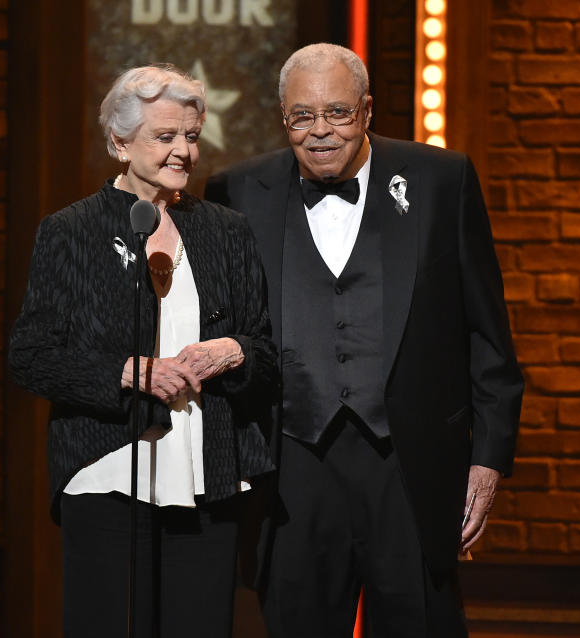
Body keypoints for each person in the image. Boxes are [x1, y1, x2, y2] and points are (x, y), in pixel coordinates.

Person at [205, 43, 524, 637]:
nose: (319, 130)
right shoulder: (238, 191)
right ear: (284, 118)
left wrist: (488, 459)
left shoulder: (440, 181)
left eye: (338, 113)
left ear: (368, 110)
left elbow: (487, 335)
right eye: (302, 115)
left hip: (409, 464)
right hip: (291, 468)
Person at [9, 64, 277, 638]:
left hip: (208, 475)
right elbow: (30, 355)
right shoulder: (71, 231)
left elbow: (267, 351)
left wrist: (233, 351)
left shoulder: (227, 232)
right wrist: (127, 372)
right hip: (108, 472)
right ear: (119, 142)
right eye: (164, 136)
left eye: (191, 136)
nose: (183, 151)